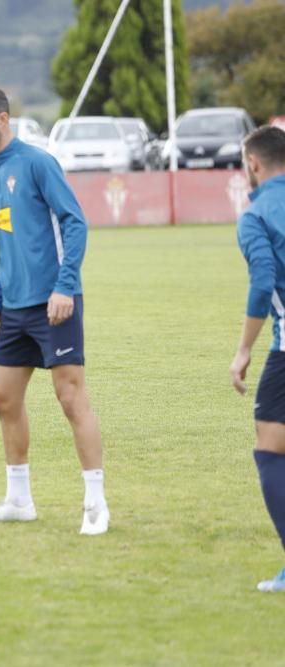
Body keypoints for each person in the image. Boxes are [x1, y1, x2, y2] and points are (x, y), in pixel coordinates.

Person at [0, 83, 109, 535]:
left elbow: (75, 223)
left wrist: (65, 287)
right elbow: (5, 243)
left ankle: (96, 504)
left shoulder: (39, 163)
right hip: (15, 307)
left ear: (3, 119)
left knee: (70, 398)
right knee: (4, 400)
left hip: (54, 304)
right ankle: (19, 499)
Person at [229, 124, 285, 593]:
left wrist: (244, 349)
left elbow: (263, 281)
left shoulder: (255, 214)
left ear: (253, 164)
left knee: (271, 446)